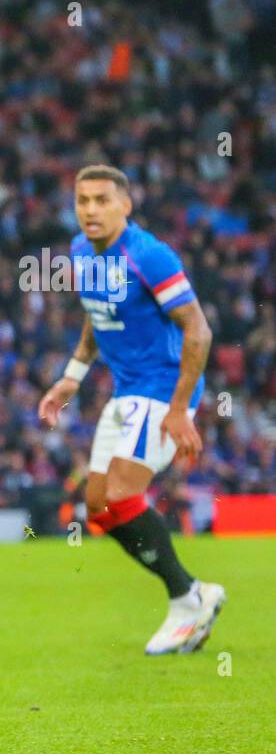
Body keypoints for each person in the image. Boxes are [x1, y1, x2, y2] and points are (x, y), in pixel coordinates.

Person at [38, 164, 224, 655]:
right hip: (126, 392)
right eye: (83, 201)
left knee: (121, 496)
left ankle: (187, 600)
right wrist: (71, 378)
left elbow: (198, 330)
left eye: (102, 200)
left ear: (126, 205)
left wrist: (180, 408)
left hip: (163, 388)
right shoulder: (81, 251)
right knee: (98, 508)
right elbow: (96, 317)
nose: (91, 210)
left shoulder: (149, 256)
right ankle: (194, 593)